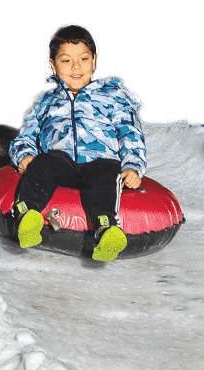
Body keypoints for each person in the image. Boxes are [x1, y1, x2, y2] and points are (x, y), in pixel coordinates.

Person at [9, 23, 147, 262]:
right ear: (53, 65)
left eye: (83, 59)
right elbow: (26, 135)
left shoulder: (112, 97)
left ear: (94, 61)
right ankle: (27, 214)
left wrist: (133, 167)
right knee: (44, 162)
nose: (76, 67)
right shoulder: (45, 102)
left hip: (99, 162)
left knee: (107, 172)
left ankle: (105, 228)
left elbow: (130, 134)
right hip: (60, 163)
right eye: (65, 61)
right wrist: (24, 155)